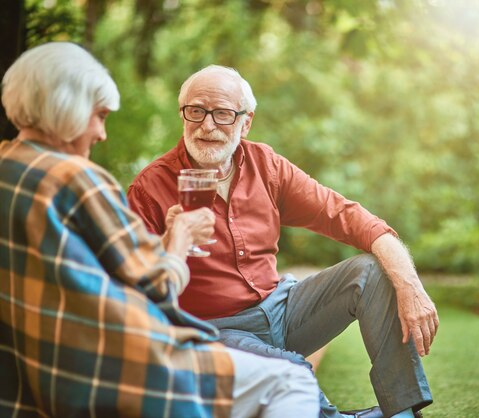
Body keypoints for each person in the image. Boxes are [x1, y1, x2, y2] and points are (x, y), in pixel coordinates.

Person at [0, 42, 320, 418]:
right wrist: (181, 238)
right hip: (115, 363)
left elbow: (112, 274)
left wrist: (167, 241)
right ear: (65, 109)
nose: (102, 133)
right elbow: (154, 289)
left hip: (34, 373)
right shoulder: (77, 179)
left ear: (244, 122)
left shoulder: (8, 167)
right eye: (99, 116)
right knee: (293, 381)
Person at [127, 65, 439, 418]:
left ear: (245, 123)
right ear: (183, 114)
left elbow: (348, 216)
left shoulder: (266, 166)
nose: (207, 125)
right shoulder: (149, 188)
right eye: (196, 111)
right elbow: (136, 289)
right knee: (290, 372)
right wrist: (173, 243)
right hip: (213, 330)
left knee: (370, 271)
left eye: (223, 114)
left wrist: (410, 284)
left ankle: (402, 412)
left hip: (281, 309)